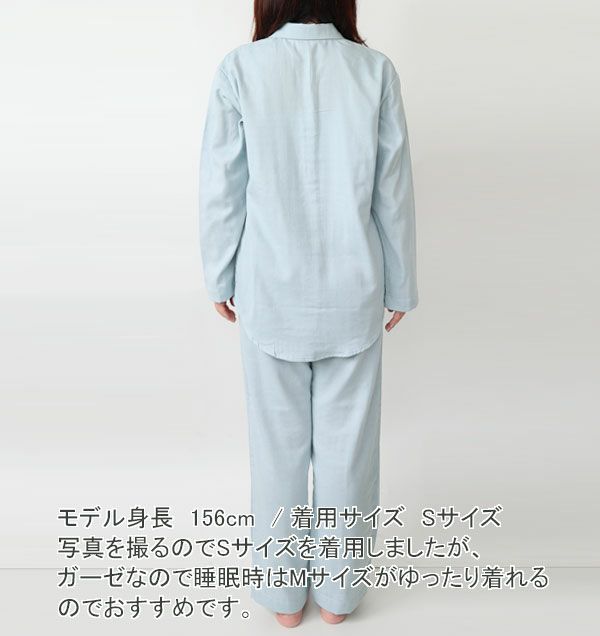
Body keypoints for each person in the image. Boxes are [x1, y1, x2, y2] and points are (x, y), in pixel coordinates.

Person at [199, 0, 418, 627]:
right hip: (355, 287)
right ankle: (339, 600)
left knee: (277, 452)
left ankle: (283, 600)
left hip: (269, 289)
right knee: (350, 453)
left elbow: (222, 185)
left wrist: (218, 273)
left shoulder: (241, 68)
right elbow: (392, 188)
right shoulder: (374, 70)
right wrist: (401, 284)